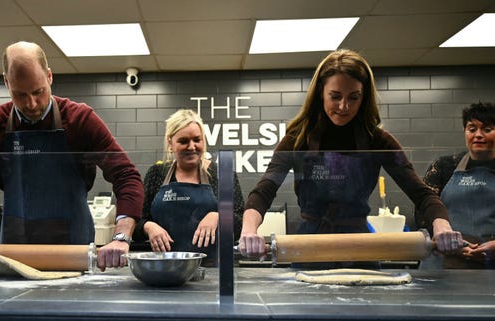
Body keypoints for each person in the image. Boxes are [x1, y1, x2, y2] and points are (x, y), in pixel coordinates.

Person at [239, 49, 462, 264]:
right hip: (309, 246)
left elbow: (421, 194)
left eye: (353, 98)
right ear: (320, 93)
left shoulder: (378, 141)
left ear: (364, 98)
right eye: (335, 96)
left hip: (359, 246)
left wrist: (442, 226)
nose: (344, 106)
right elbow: (264, 191)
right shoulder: (298, 140)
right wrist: (249, 230)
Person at [0, 41, 143, 270]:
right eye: (20, 94)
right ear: (6, 82)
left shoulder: (80, 120)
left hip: (74, 251)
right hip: (14, 251)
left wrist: (121, 236)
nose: (31, 103)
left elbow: (126, 176)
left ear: (50, 77)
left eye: (38, 91)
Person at [133, 109, 244, 265]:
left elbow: (241, 224)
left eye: (197, 140)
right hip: (167, 267)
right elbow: (136, 223)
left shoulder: (222, 174)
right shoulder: (157, 173)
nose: (192, 147)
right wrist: (148, 226)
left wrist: (219, 216)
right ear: (170, 143)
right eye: (184, 141)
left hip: (215, 268)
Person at [420, 102, 495, 267]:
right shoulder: (444, 166)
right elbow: (423, 212)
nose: (478, 135)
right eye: (472, 129)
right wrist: (442, 239)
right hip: (443, 263)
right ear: (464, 132)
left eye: (487, 129)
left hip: (490, 267)